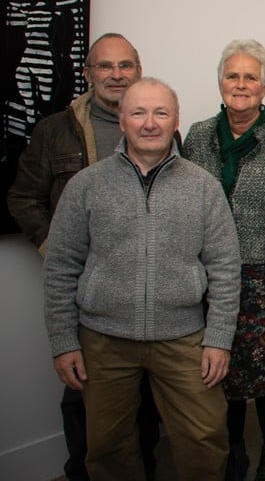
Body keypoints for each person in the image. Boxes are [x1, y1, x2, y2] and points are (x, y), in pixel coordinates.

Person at [43, 77, 241, 480]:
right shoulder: (87, 185)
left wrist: (219, 339)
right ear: (122, 120)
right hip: (104, 340)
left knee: (204, 438)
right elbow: (61, 266)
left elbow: (224, 267)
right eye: (138, 113)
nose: (150, 123)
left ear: (175, 120)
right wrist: (64, 341)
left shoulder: (203, 187)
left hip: (183, 338)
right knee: (107, 446)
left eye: (160, 113)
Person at [7, 32, 160, 481]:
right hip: (84, 288)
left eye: (125, 65)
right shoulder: (56, 130)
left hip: (147, 284)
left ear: (138, 70)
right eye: (105, 66)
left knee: (145, 395)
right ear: (88, 73)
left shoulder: (158, 126)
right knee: (83, 391)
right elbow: (22, 197)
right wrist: (52, 245)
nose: (117, 75)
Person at [182, 39, 265, 481]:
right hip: (209, 274)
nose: (241, 84)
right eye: (233, 76)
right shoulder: (197, 136)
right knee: (219, 367)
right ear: (221, 83)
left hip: (260, 273)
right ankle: (234, 448)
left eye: (251, 77)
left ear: (264, 87)